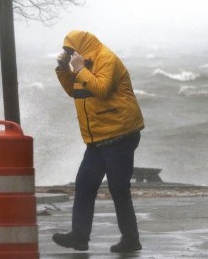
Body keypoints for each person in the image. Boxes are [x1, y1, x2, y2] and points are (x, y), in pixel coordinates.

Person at [52, 30, 144, 253]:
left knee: (119, 188)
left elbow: (101, 89)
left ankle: (131, 239)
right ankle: (79, 237)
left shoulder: (106, 59)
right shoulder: (86, 63)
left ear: (82, 47)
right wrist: (64, 69)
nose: (71, 54)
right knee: (84, 186)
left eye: (71, 50)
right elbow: (75, 91)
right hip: (98, 139)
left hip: (120, 134)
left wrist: (81, 68)